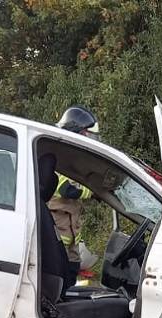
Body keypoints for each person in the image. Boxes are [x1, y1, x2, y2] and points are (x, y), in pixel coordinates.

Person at [48, 106, 98, 283]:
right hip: (59, 221)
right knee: (60, 264)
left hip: (69, 225)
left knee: (72, 266)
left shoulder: (70, 158)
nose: (89, 139)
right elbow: (67, 190)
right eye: (86, 134)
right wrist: (93, 192)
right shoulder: (59, 157)